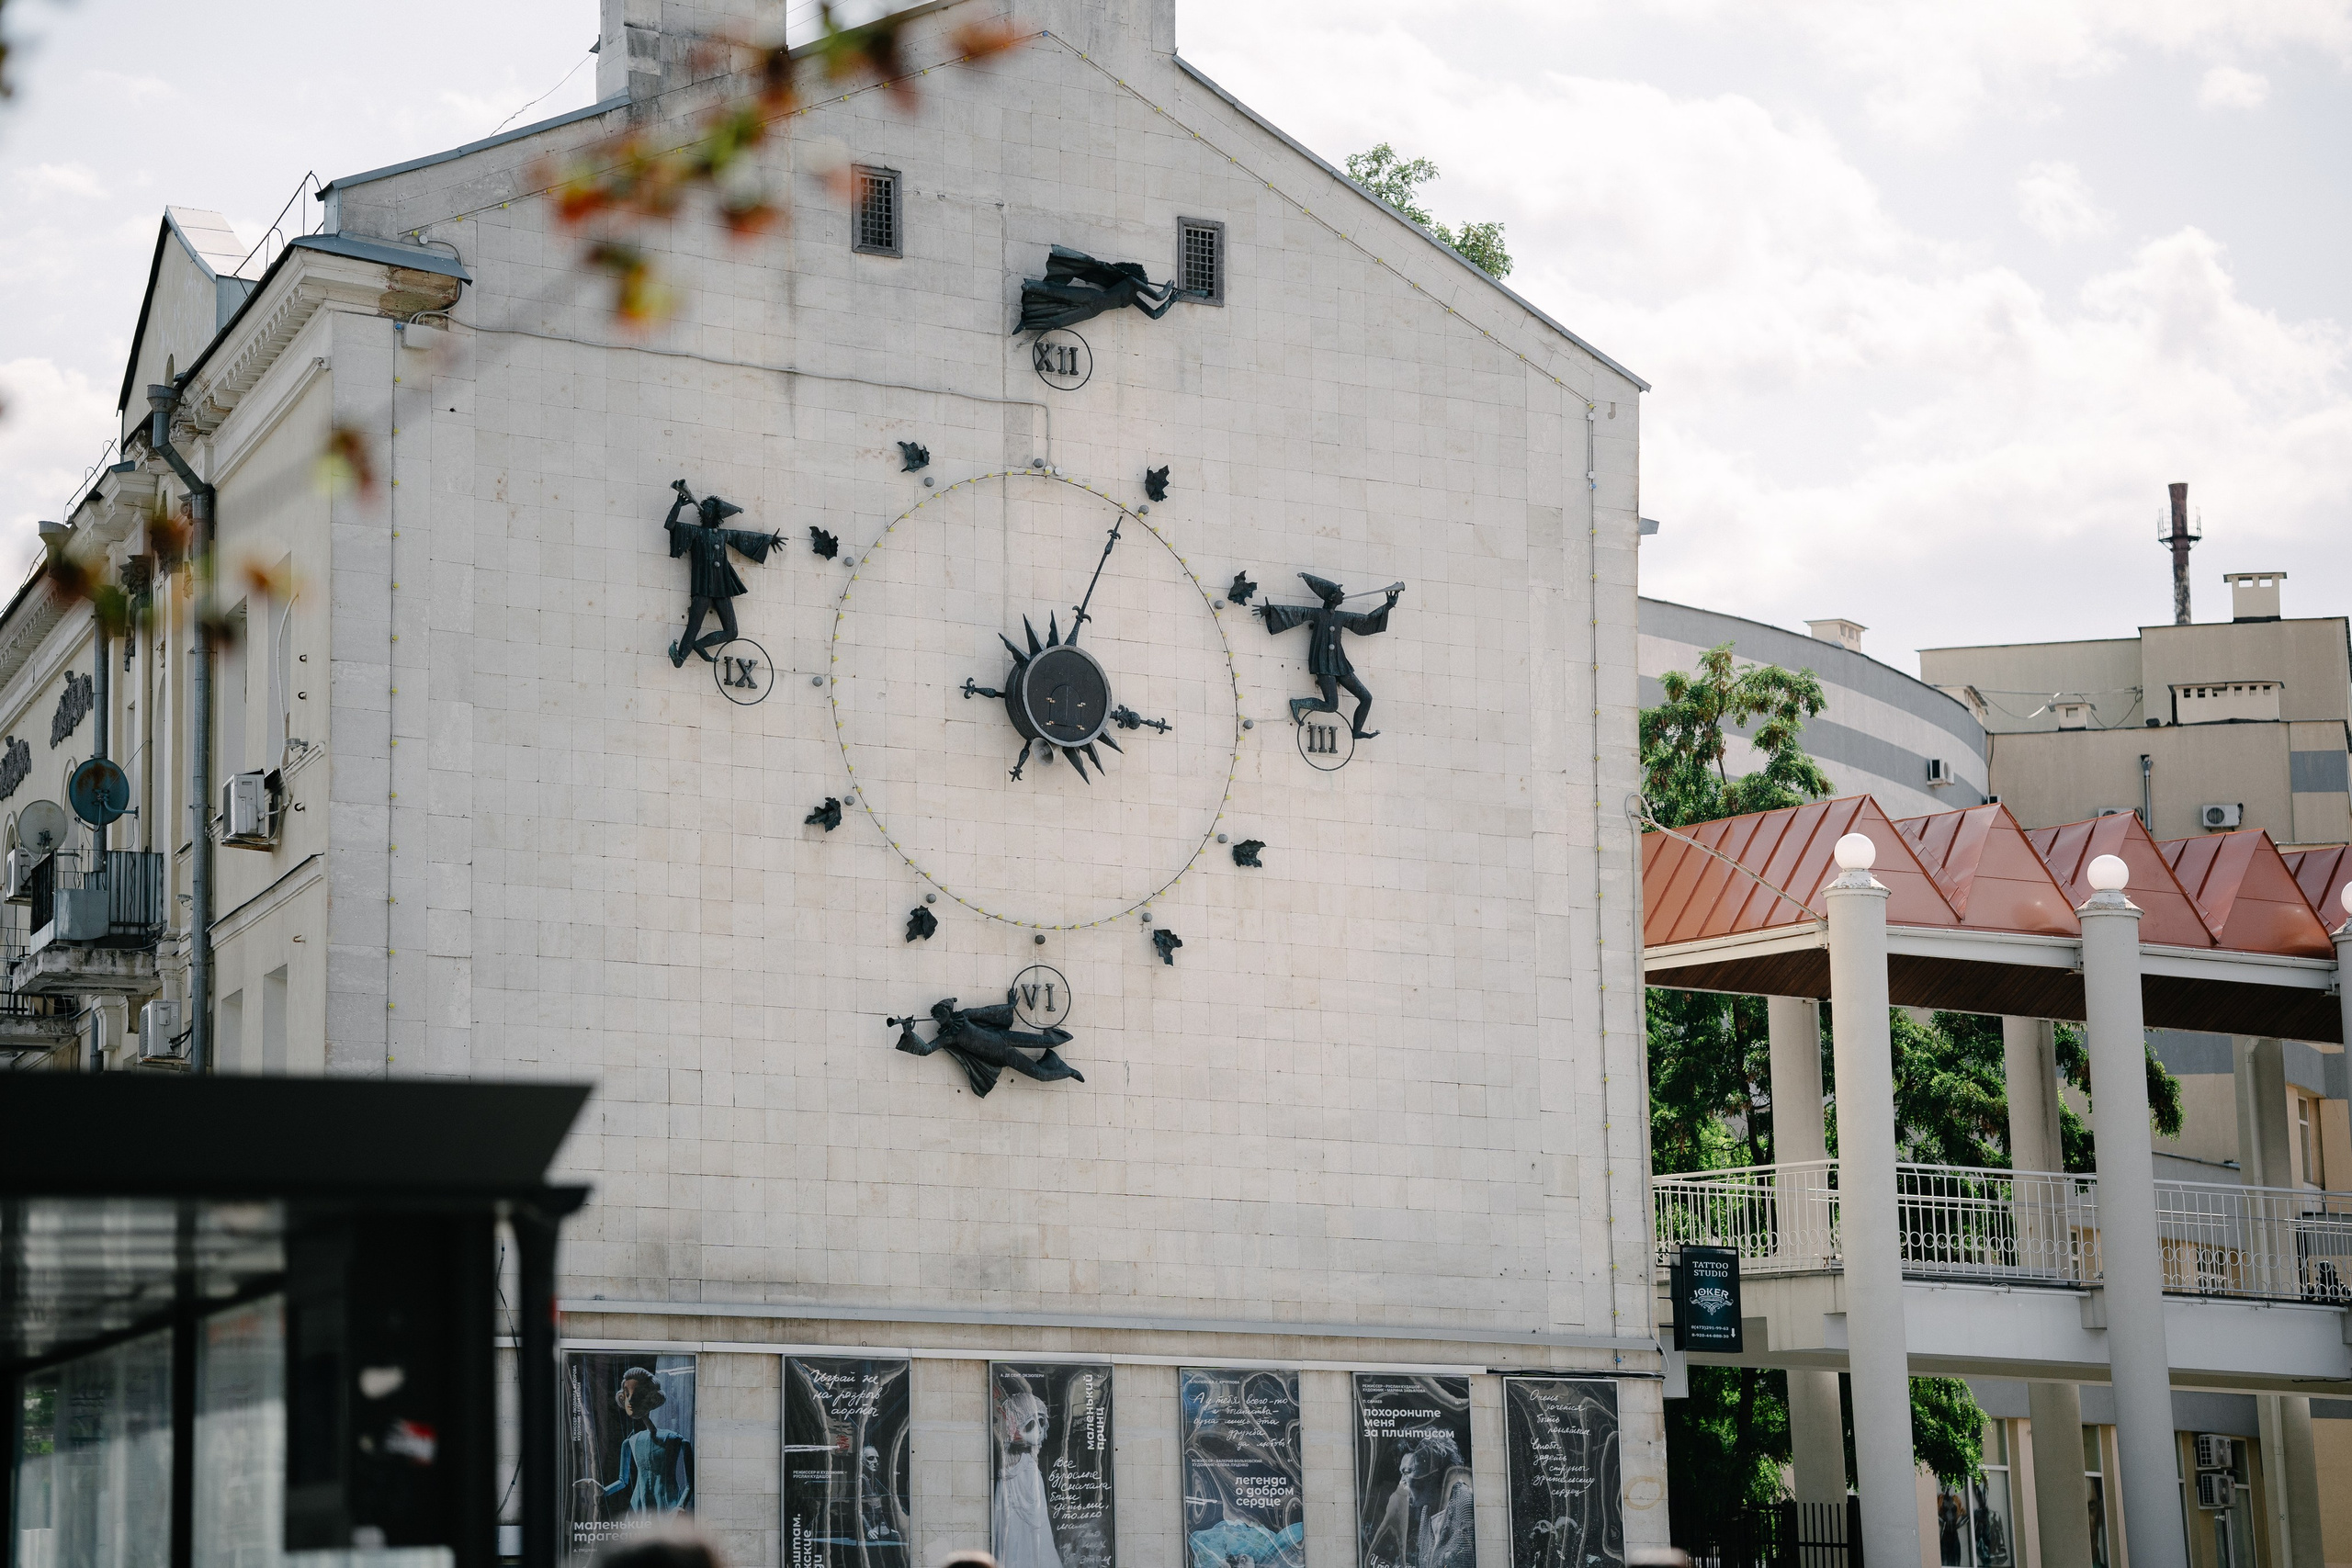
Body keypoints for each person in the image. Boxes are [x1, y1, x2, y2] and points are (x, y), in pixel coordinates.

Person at [1255, 574, 1403, 739]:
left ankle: (1356, 731)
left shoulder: (1341, 617)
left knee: (1366, 697)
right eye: (1340, 591)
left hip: (1340, 664)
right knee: (1332, 705)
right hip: (1323, 663)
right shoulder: (1319, 614)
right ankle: (1298, 703)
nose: (1343, 594)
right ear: (1332, 596)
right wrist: (1270, 611)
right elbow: (1296, 613)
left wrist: (1387, 607)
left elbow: (1366, 621)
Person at [663, 480, 782, 667]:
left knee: (732, 631)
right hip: (702, 586)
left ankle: (700, 645)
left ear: (717, 513)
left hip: (721, 585)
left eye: (710, 507)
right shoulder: (694, 531)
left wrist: (768, 540)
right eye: (705, 506)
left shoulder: (722, 534)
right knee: (693, 626)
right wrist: (678, 505)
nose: (705, 508)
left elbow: (744, 537)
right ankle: (680, 657)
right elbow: (670, 525)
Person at [579, 1367, 695, 1520]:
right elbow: (622, 1481)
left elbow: (690, 1483)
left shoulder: (675, 1439)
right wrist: (603, 1490)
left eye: (637, 1394)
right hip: (639, 1508)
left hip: (668, 1507)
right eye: (627, 1395)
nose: (631, 1400)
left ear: (651, 1398)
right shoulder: (631, 1442)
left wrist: (680, 1506)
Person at [992, 1384, 1063, 1568]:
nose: (1038, 1432)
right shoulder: (1021, 1464)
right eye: (1030, 1424)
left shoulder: (1024, 1463)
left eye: (1041, 1423)